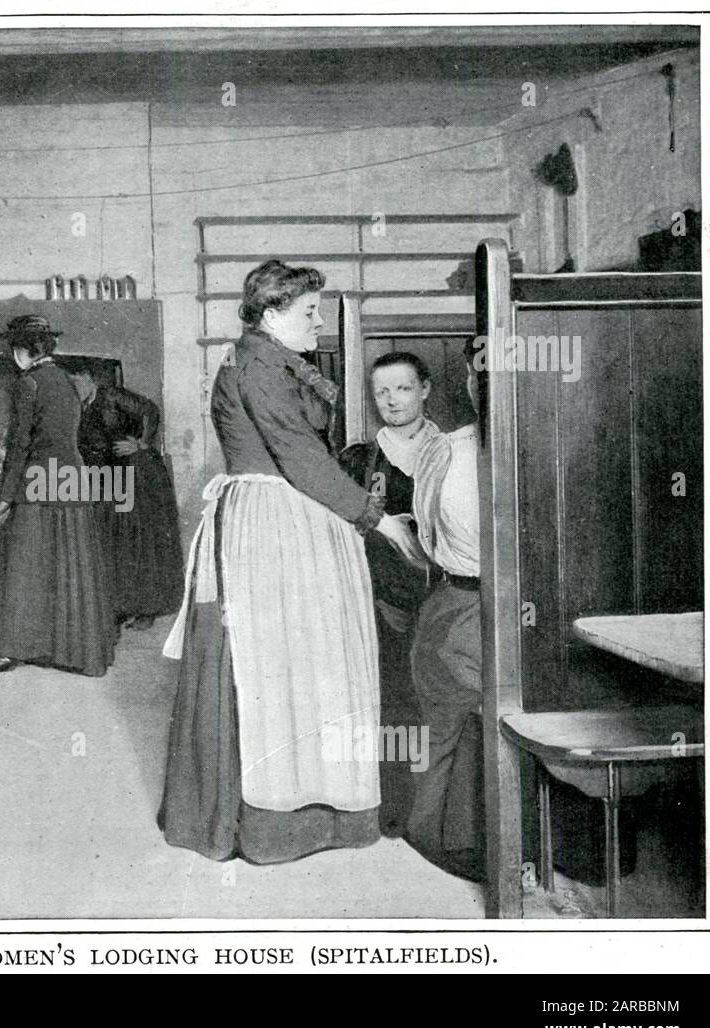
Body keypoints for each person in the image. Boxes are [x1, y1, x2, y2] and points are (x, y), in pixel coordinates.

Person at [159, 260, 427, 864]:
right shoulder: (255, 364)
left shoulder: (266, 359)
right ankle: (281, 820)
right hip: (274, 522)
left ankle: (314, 810)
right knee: (280, 667)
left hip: (288, 516)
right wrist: (377, 519)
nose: (319, 320)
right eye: (309, 311)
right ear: (273, 312)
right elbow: (299, 456)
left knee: (301, 663)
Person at [0, 314, 116, 676]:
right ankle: (76, 650)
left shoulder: (27, 383)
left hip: (39, 477)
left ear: (20, 351)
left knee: (20, 564)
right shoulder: (68, 381)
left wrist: (3, 500)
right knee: (68, 562)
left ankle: (4, 650)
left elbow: (18, 447)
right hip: (71, 477)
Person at [339, 352, 441, 837]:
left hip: (442, 599)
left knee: (438, 706)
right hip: (375, 602)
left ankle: (438, 816)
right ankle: (392, 809)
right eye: (382, 392)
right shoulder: (358, 459)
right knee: (389, 704)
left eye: (402, 388)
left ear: (424, 389)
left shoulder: (454, 453)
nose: (392, 400)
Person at [406, 340, 484, 881]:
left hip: (508, 608)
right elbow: (429, 537)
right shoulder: (447, 451)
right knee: (448, 720)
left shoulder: (554, 437)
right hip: (459, 606)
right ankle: (436, 832)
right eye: (479, 373)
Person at [67, 367, 185, 630]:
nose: (74, 385)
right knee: (118, 542)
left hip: (140, 473)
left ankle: (148, 609)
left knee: (144, 540)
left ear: (88, 377)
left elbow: (150, 410)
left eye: (76, 379)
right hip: (113, 478)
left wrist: (142, 443)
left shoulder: (111, 396)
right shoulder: (82, 408)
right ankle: (122, 606)